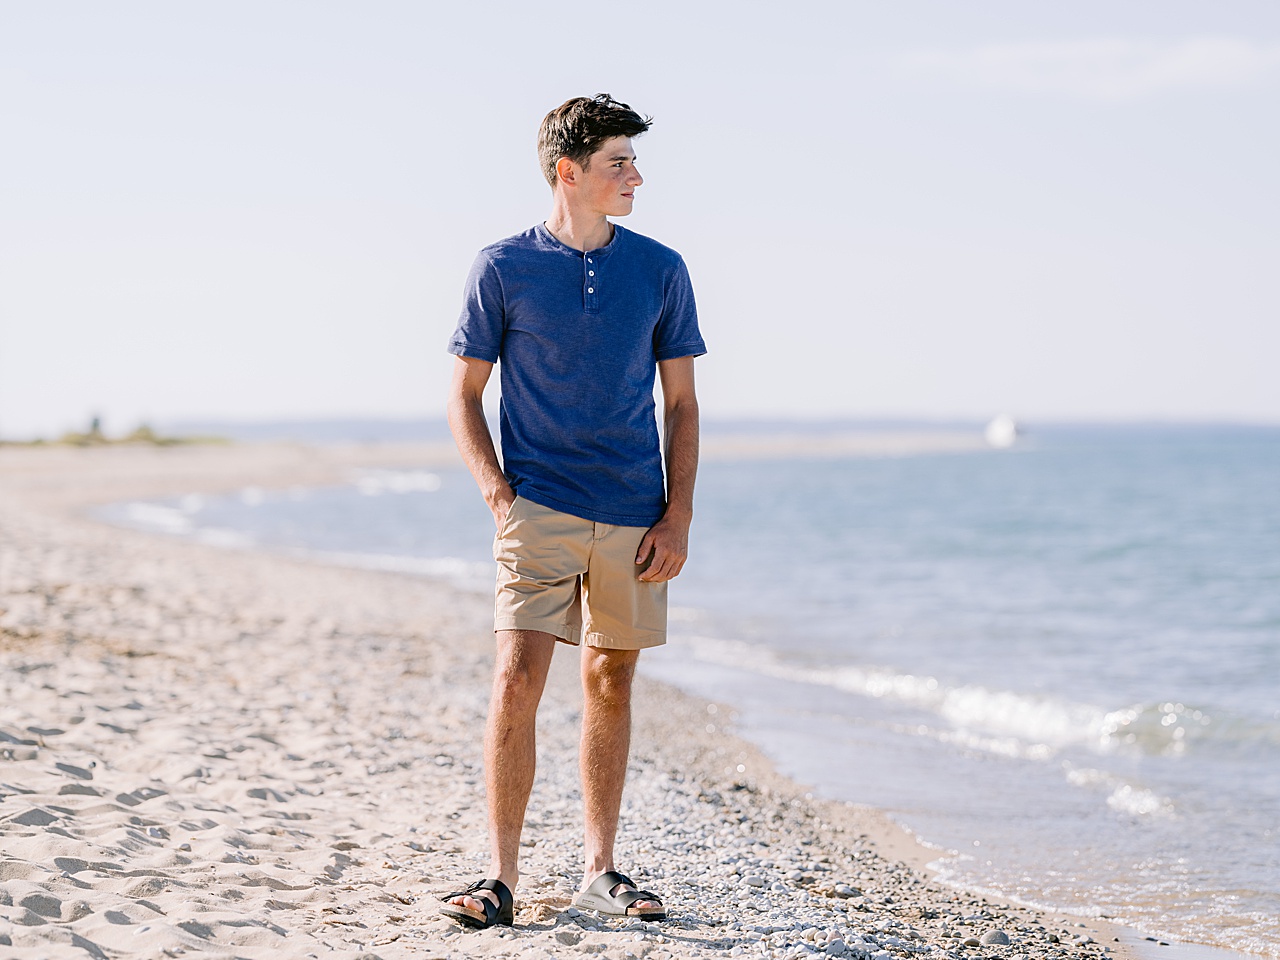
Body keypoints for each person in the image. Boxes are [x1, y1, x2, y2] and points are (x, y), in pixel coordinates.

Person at [440, 93, 706, 930]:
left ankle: (601, 869)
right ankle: (500, 877)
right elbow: (464, 394)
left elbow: (683, 407)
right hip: (538, 506)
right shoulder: (502, 267)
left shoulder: (661, 268)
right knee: (517, 680)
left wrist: (678, 517)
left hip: (634, 512)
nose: (636, 176)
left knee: (609, 680)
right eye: (617, 163)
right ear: (569, 171)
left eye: (631, 161)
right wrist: (496, 491)